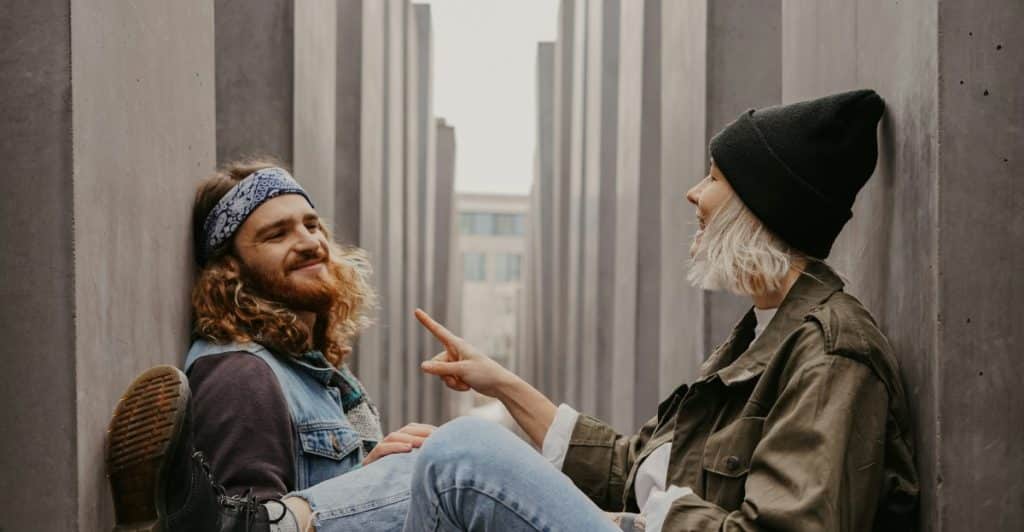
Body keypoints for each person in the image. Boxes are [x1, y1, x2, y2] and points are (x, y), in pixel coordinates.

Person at [279, 89, 920, 531]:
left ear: (763, 207)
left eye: (717, 178)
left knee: (462, 456)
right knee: (435, 456)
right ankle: (272, 521)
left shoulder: (832, 351)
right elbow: (629, 468)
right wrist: (498, 381)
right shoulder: (762, 331)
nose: (693, 194)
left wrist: (644, 516)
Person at [105, 160, 428, 531]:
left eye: (311, 225)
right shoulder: (241, 376)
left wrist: (373, 482)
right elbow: (242, 519)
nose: (310, 243)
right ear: (231, 268)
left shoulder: (315, 372)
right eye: (277, 235)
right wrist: (380, 484)